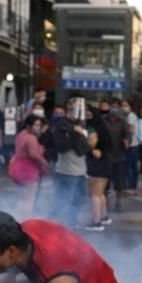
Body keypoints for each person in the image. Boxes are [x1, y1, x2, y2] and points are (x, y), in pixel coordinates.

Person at [50, 97, 90, 227]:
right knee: (64, 199)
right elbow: (61, 147)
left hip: (80, 170)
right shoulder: (62, 125)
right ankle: (61, 223)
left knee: (79, 199)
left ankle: (71, 221)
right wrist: (74, 133)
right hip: (67, 170)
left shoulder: (80, 124)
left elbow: (85, 148)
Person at [8, 115, 49, 216]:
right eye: (36, 125)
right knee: (29, 199)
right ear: (28, 125)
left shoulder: (21, 135)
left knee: (22, 198)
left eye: (39, 125)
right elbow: (33, 154)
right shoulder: (31, 138)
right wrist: (44, 163)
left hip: (18, 168)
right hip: (28, 170)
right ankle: (26, 220)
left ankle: (18, 217)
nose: (38, 127)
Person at [104, 105, 129, 212]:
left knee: (119, 180)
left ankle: (118, 201)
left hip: (119, 154)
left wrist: (127, 141)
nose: (113, 117)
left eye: (115, 116)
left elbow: (127, 135)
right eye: (112, 115)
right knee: (105, 179)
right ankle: (105, 200)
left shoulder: (122, 122)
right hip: (106, 154)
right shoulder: (103, 120)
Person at [121, 100, 140, 193]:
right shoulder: (131, 116)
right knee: (132, 166)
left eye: (126, 105)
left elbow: (131, 130)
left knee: (129, 166)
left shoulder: (130, 116)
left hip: (131, 144)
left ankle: (131, 186)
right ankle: (133, 186)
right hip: (134, 144)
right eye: (122, 105)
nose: (123, 107)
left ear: (130, 107)